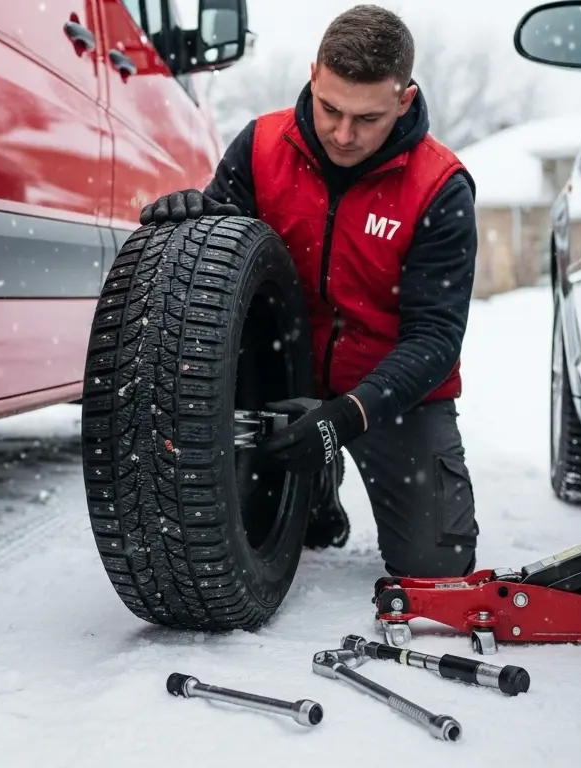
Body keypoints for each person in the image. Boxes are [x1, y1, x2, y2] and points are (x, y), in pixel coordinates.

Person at [138, 4, 479, 578]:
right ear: (314, 73)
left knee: (436, 570)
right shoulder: (261, 146)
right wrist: (194, 222)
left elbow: (435, 339)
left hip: (390, 397)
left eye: (366, 118)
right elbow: (216, 264)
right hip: (281, 382)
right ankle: (315, 485)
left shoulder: (439, 188)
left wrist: (345, 416)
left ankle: (328, 452)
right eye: (330, 108)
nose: (343, 134)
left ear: (404, 99)